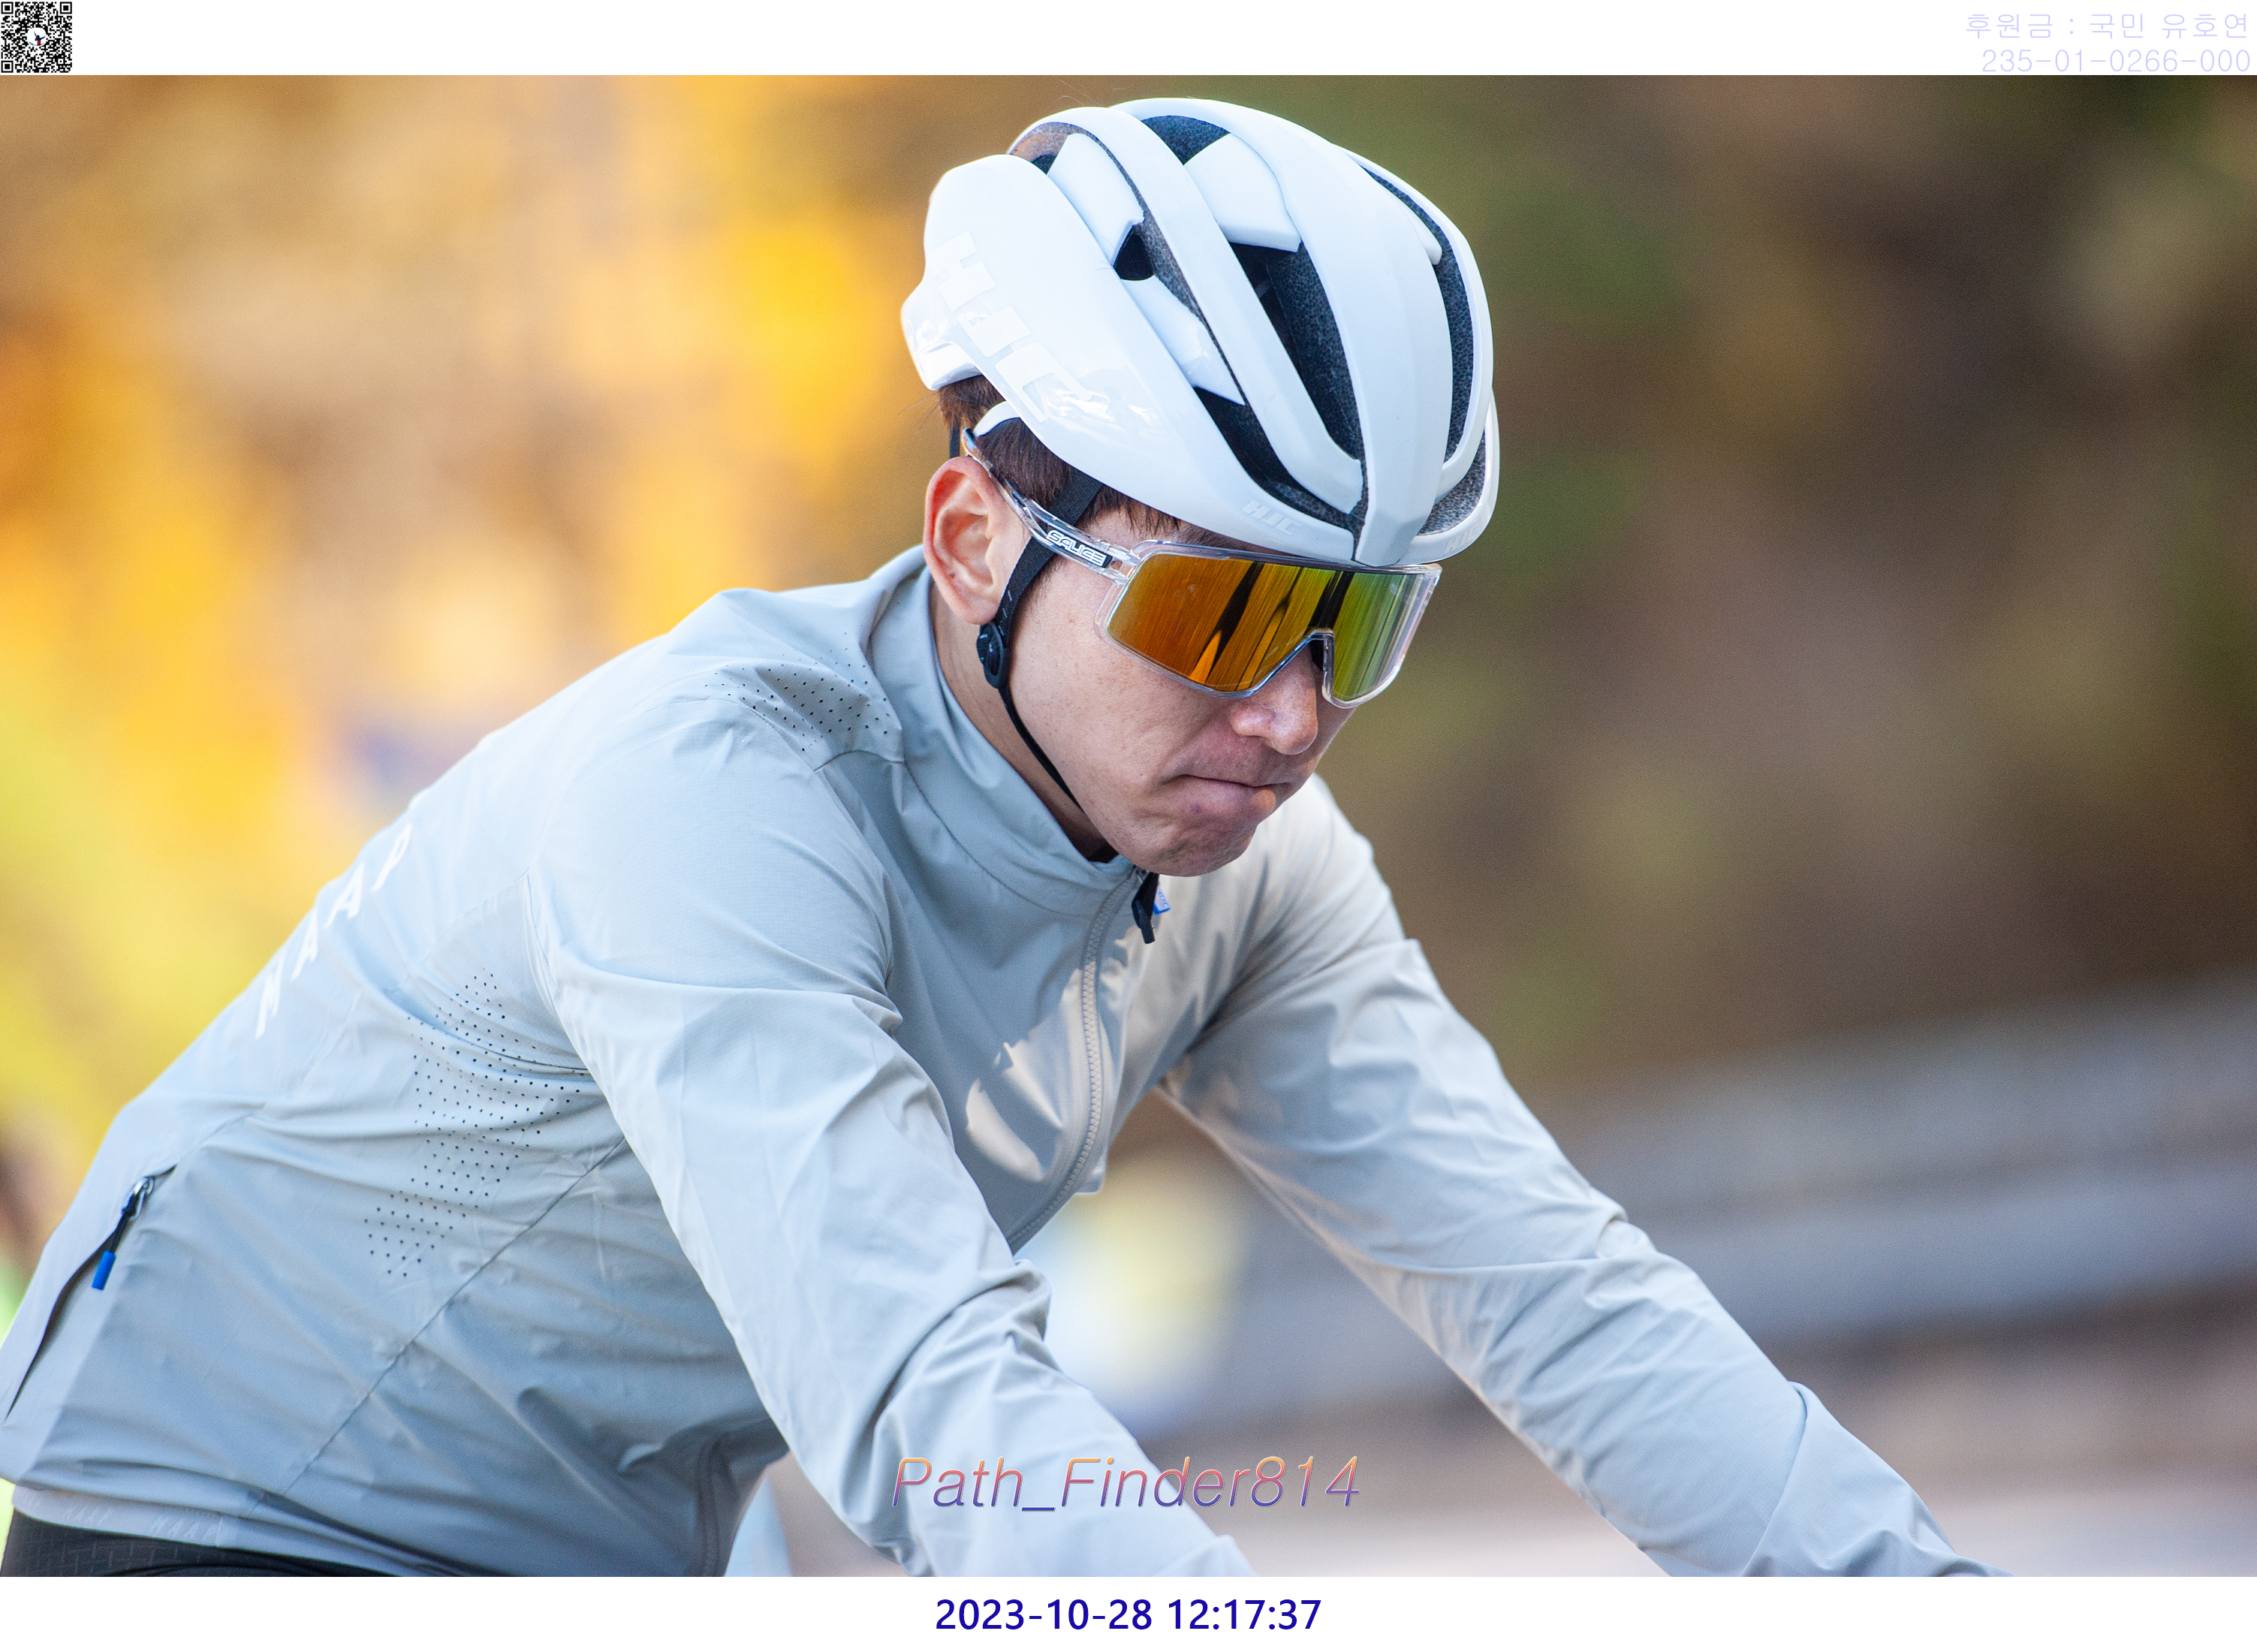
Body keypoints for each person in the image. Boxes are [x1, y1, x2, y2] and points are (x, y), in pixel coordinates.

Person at [0, 96, 1998, 1578]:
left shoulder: (1246, 871)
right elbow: (933, 1397)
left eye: (1358, 622)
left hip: (626, 1539)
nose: (1293, 712)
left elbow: (1552, 1293)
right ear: (976, 541)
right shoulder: (706, 804)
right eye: (1225, 609)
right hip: (224, 1518)